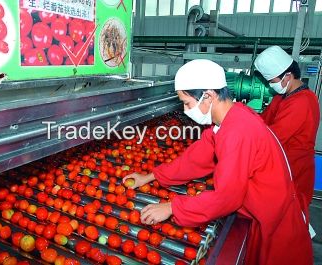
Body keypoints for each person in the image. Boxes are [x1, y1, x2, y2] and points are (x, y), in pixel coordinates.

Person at [123, 59, 313, 265]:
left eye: (187, 103)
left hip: (278, 229)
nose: (187, 111)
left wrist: (173, 208)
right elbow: (195, 159)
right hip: (265, 215)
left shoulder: (237, 131)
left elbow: (227, 197)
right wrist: (150, 176)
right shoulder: (228, 120)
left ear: (209, 95)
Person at [254, 46, 320, 222]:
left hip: (294, 169)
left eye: (272, 81)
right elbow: (261, 122)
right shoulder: (281, 98)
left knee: (289, 220)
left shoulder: (303, 102)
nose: (270, 85)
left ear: (288, 76)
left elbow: (274, 137)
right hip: (280, 165)